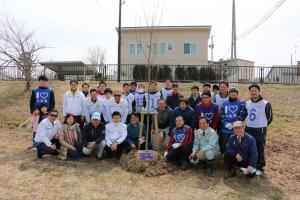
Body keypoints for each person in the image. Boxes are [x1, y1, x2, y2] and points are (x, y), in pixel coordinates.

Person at [245, 84, 273, 175]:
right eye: (251, 91)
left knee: (259, 148)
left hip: (260, 130)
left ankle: (260, 167)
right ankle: (251, 165)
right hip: (248, 128)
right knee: (249, 147)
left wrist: (262, 125)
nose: (253, 92)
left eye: (255, 90)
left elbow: (269, 117)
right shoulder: (247, 103)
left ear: (259, 92)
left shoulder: (265, 103)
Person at [220, 87, 247, 153]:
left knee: (236, 146)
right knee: (225, 146)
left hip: (237, 130)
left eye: (235, 92)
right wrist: (225, 123)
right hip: (225, 129)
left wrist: (233, 124)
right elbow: (221, 114)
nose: (233, 93)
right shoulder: (224, 103)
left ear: (237, 94)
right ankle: (226, 159)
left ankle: (236, 160)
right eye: (231, 92)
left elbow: (242, 114)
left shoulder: (241, 102)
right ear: (229, 94)